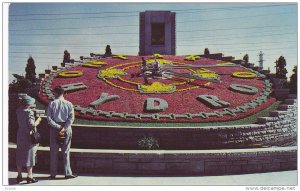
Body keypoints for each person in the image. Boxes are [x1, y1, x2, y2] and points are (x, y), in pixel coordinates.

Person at [47, 86, 77, 179]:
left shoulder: (52, 104)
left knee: (54, 151)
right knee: (66, 151)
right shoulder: (69, 104)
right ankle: (67, 173)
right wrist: (64, 128)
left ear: (56, 93)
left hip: (54, 129)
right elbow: (71, 118)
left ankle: (53, 173)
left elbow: (49, 119)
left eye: (53, 92)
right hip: (66, 129)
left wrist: (58, 127)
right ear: (63, 93)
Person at [16, 94, 42, 184]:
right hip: (28, 136)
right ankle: (30, 176)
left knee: (19, 155)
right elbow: (31, 125)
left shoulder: (18, 110)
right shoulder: (29, 112)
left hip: (20, 135)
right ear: (28, 104)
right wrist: (38, 120)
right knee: (30, 156)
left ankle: (19, 176)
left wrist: (30, 110)